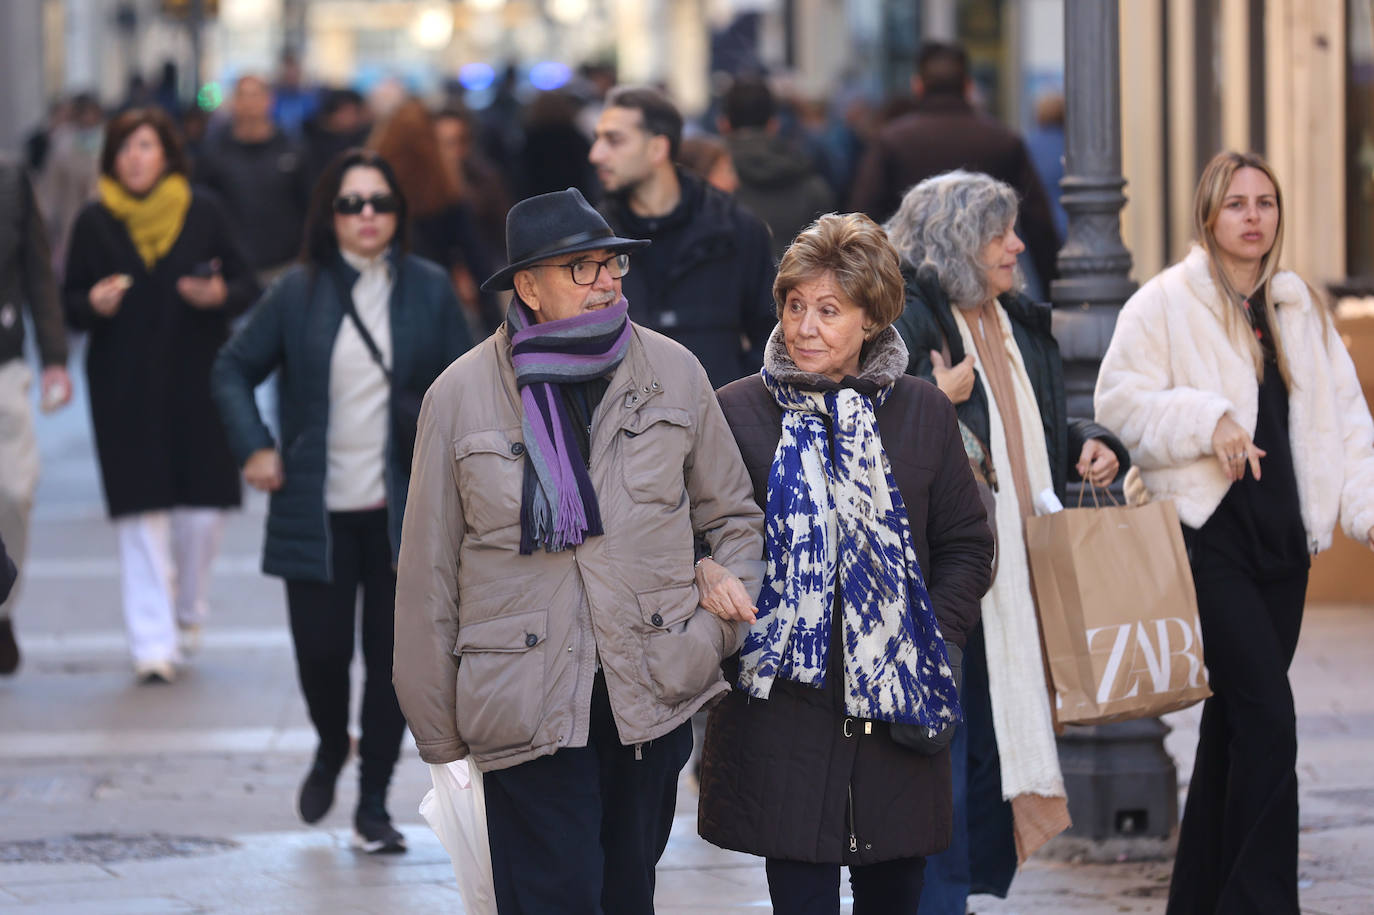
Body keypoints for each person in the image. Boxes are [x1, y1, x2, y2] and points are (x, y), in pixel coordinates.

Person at [391, 187, 765, 913]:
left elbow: (736, 519)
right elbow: (427, 574)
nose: (606, 281)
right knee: (556, 897)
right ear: (528, 286)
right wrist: (438, 735)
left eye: (612, 265)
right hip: (523, 702)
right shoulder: (460, 394)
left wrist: (714, 630)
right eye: (582, 268)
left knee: (628, 893)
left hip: (650, 690)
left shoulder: (674, 372)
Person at [1095, 151, 1374, 914]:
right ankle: (1259, 901)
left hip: (1285, 546)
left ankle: (1202, 898)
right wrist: (1205, 419)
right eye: (1236, 204)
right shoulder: (1164, 304)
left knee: (1235, 722)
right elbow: (1119, 403)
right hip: (1208, 539)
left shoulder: (1299, 307)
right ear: (1208, 217)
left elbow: (1348, 425)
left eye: (1266, 203)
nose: (1253, 217)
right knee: (1269, 718)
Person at [696, 212, 994, 914]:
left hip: (897, 716)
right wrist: (706, 569)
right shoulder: (736, 410)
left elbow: (966, 544)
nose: (805, 326)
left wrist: (935, 637)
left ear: (871, 318)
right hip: (783, 718)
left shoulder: (922, 411)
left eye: (829, 310)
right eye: (795, 305)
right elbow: (691, 531)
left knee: (896, 897)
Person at [210, 148, 471, 852]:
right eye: (352, 203)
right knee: (321, 656)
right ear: (329, 215)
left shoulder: (426, 288)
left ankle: (371, 803)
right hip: (315, 513)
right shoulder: (299, 291)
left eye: (380, 203)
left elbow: (470, 381)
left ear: (398, 214)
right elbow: (233, 366)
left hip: (402, 516)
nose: (366, 216)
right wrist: (255, 446)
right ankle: (331, 743)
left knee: (393, 667)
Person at [884, 170, 1127, 913]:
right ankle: (937, 899)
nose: (1018, 245)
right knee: (944, 756)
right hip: (947, 576)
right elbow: (875, 428)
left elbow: (1037, 432)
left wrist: (1088, 439)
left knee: (984, 750)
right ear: (957, 243)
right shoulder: (910, 322)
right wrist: (935, 398)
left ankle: (958, 891)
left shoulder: (1016, 319)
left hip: (1017, 574)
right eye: (1000, 233)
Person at [62, 108, 258, 685]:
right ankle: (152, 642)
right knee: (139, 512)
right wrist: (90, 305)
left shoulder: (203, 211)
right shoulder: (96, 221)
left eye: (145, 146)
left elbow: (248, 284)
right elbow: (67, 297)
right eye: (124, 148)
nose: (134, 158)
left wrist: (218, 292)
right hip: (124, 386)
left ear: (167, 154)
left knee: (202, 515)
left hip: (199, 380)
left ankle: (187, 608)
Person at [590, 85, 776, 388]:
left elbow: (770, 336)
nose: (596, 154)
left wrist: (734, 404)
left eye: (614, 140)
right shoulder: (592, 239)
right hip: (623, 427)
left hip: (719, 423)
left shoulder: (737, 230)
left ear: (657, 148)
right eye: (597, 139)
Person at [848, 42, 1060, 296]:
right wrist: (1052, 286)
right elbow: (1038, 223)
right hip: (985, 286)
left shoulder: (891, 142)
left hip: (911, 289)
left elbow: (862, 216)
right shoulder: (1003, 141)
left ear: (918, 86)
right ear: (969, 87)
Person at [0, 156, 73, 676]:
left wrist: (55, 358)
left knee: (13, 491)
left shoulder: (9, 178)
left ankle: (2, 605)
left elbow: (36, 269)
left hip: (4, 363)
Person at [368, 99, 497, 334]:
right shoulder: (446, 187)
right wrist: (494, 322)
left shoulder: (373, 188)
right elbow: (476, 257)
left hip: (383, 295)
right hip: (437, 294)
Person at [196, 75, 311, 288]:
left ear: (270, 100)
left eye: (255, 95)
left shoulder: (293, 149)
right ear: (234, 102)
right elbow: (202, 210)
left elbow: (309, 206)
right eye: (243, 96)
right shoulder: (214, 153)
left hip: (284, 267)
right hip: (232, 272)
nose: (249, 103)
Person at [719, 75, 835, 263]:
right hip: (795, 286)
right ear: (774, 125)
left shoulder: (707, 180)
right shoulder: (811, 181)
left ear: (724, 124)